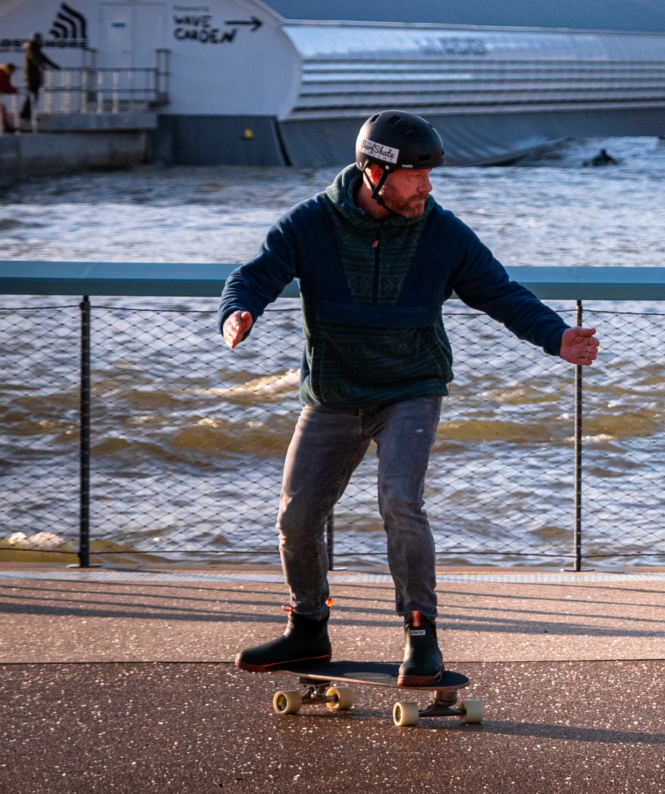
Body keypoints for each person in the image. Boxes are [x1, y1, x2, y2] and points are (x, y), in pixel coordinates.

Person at [221, 110, 599, 686]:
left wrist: (556, 336)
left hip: (411, 389)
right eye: (414, 175)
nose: (426, 186)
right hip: (332, 393)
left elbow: (500, 293)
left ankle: (421, 636)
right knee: (296, 517)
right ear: (373, 172)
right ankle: (307, 628)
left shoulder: (442, 233)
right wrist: (238, 313)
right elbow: (254, 275)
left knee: (401, 501)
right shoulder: (310, 224)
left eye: (429, 174)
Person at [22, 33, 57, 127]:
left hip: (35, 77)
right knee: (32, 96)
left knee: (33, 96)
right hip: (31, 77)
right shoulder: (31, 48)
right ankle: (26, 115)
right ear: (36, 39)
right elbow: (35, 58)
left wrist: (53, 65)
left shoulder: (35, 48)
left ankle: (29, 114)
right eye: (40, 39)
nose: (41, 41)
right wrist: (41, 65)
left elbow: (44, 58)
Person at [0, 64, 18, 133]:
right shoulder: (2, 74)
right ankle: (5, 126)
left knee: (2, 108)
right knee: (1, 109)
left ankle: (5, 126)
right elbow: (4, 86)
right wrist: (14, 90)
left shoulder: (4, 73)